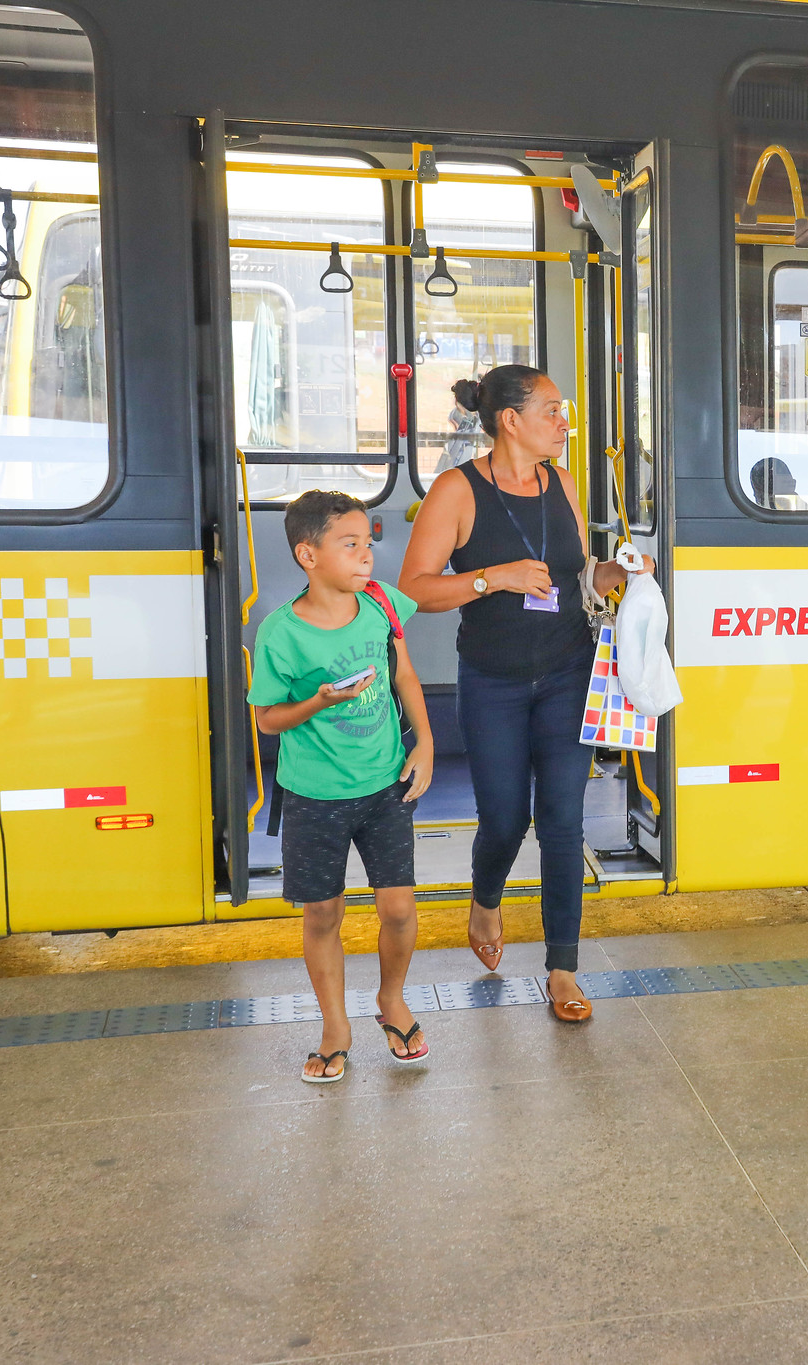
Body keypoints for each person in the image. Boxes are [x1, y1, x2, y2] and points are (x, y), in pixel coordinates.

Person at [399, 364, 650, 1023]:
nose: (563, 422)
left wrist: (617, 569)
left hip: (569, 669)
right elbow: (414, 590)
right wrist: (493, 579)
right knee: (506, 819)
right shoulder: (456, 491)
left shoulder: (561, 481)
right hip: (494, 680)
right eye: (551, 411)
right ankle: (486, 897)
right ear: (510, 420)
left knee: (563, 822)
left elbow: (577, 575)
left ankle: (562, 967)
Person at [249, 490, 435, 1082]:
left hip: (384, 784)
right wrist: (318, 702)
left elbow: (403, 673)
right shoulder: (282, 633)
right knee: (323, 913)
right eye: (349, 544)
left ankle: (391, 998)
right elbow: (267, 719)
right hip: (314, 796)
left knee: (399, 909)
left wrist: (424, 744)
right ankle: (335, 1025)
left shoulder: (380, 603)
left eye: (368, 542)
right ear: (308, 554)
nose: (366, 555)